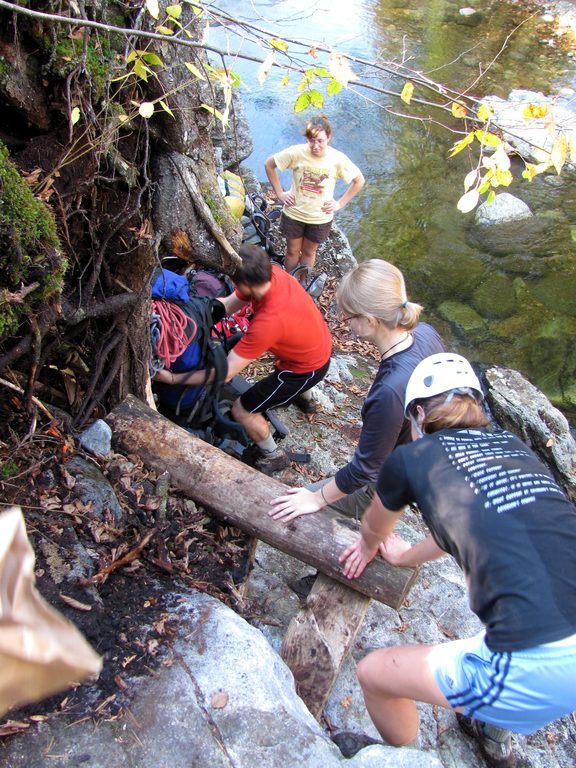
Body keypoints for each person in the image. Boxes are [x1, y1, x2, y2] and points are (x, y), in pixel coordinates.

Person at [339, 352, 576, 768]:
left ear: (417, 414)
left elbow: (375, 527)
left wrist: (368, 547)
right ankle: (493, 732)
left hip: (540, 667)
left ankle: (405, 758)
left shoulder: (411, 459)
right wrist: (408, 558)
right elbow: (461, 524)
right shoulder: (511, 446)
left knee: (374, 674)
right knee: (514, 617)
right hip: (559, 636)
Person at [269, 259, 444, 522]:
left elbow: (364, 471)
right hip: (420, 455)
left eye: (348, 315)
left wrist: (315, 498)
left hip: (391, 479)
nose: (344, 322)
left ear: (371, 320)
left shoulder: (389, 391)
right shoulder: (425, 333)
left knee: (292, 505)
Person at [154, 244, 332, 474]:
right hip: (318, 344)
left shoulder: (269, 323)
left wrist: (172, 378)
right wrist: (194, 312)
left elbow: (224, 374)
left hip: (304, 369)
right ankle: (306, 402)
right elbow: (228, 305)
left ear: (245, 283)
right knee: (273, 358)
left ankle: (273, 454)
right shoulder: (272, 274)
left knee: (243, 410)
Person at [264, 114, 365, 278]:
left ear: (329, 138)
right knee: (292, 251)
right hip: (294, 213)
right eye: (311, 140)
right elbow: (269, 164)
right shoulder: (296, 153)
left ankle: (303, 286)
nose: (315, 146)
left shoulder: (337, 159)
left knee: (309, 253)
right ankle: (290, 285)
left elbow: (359, 180)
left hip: (319, 218)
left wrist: (339, 204)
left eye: (320, 141)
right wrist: (280, 192)